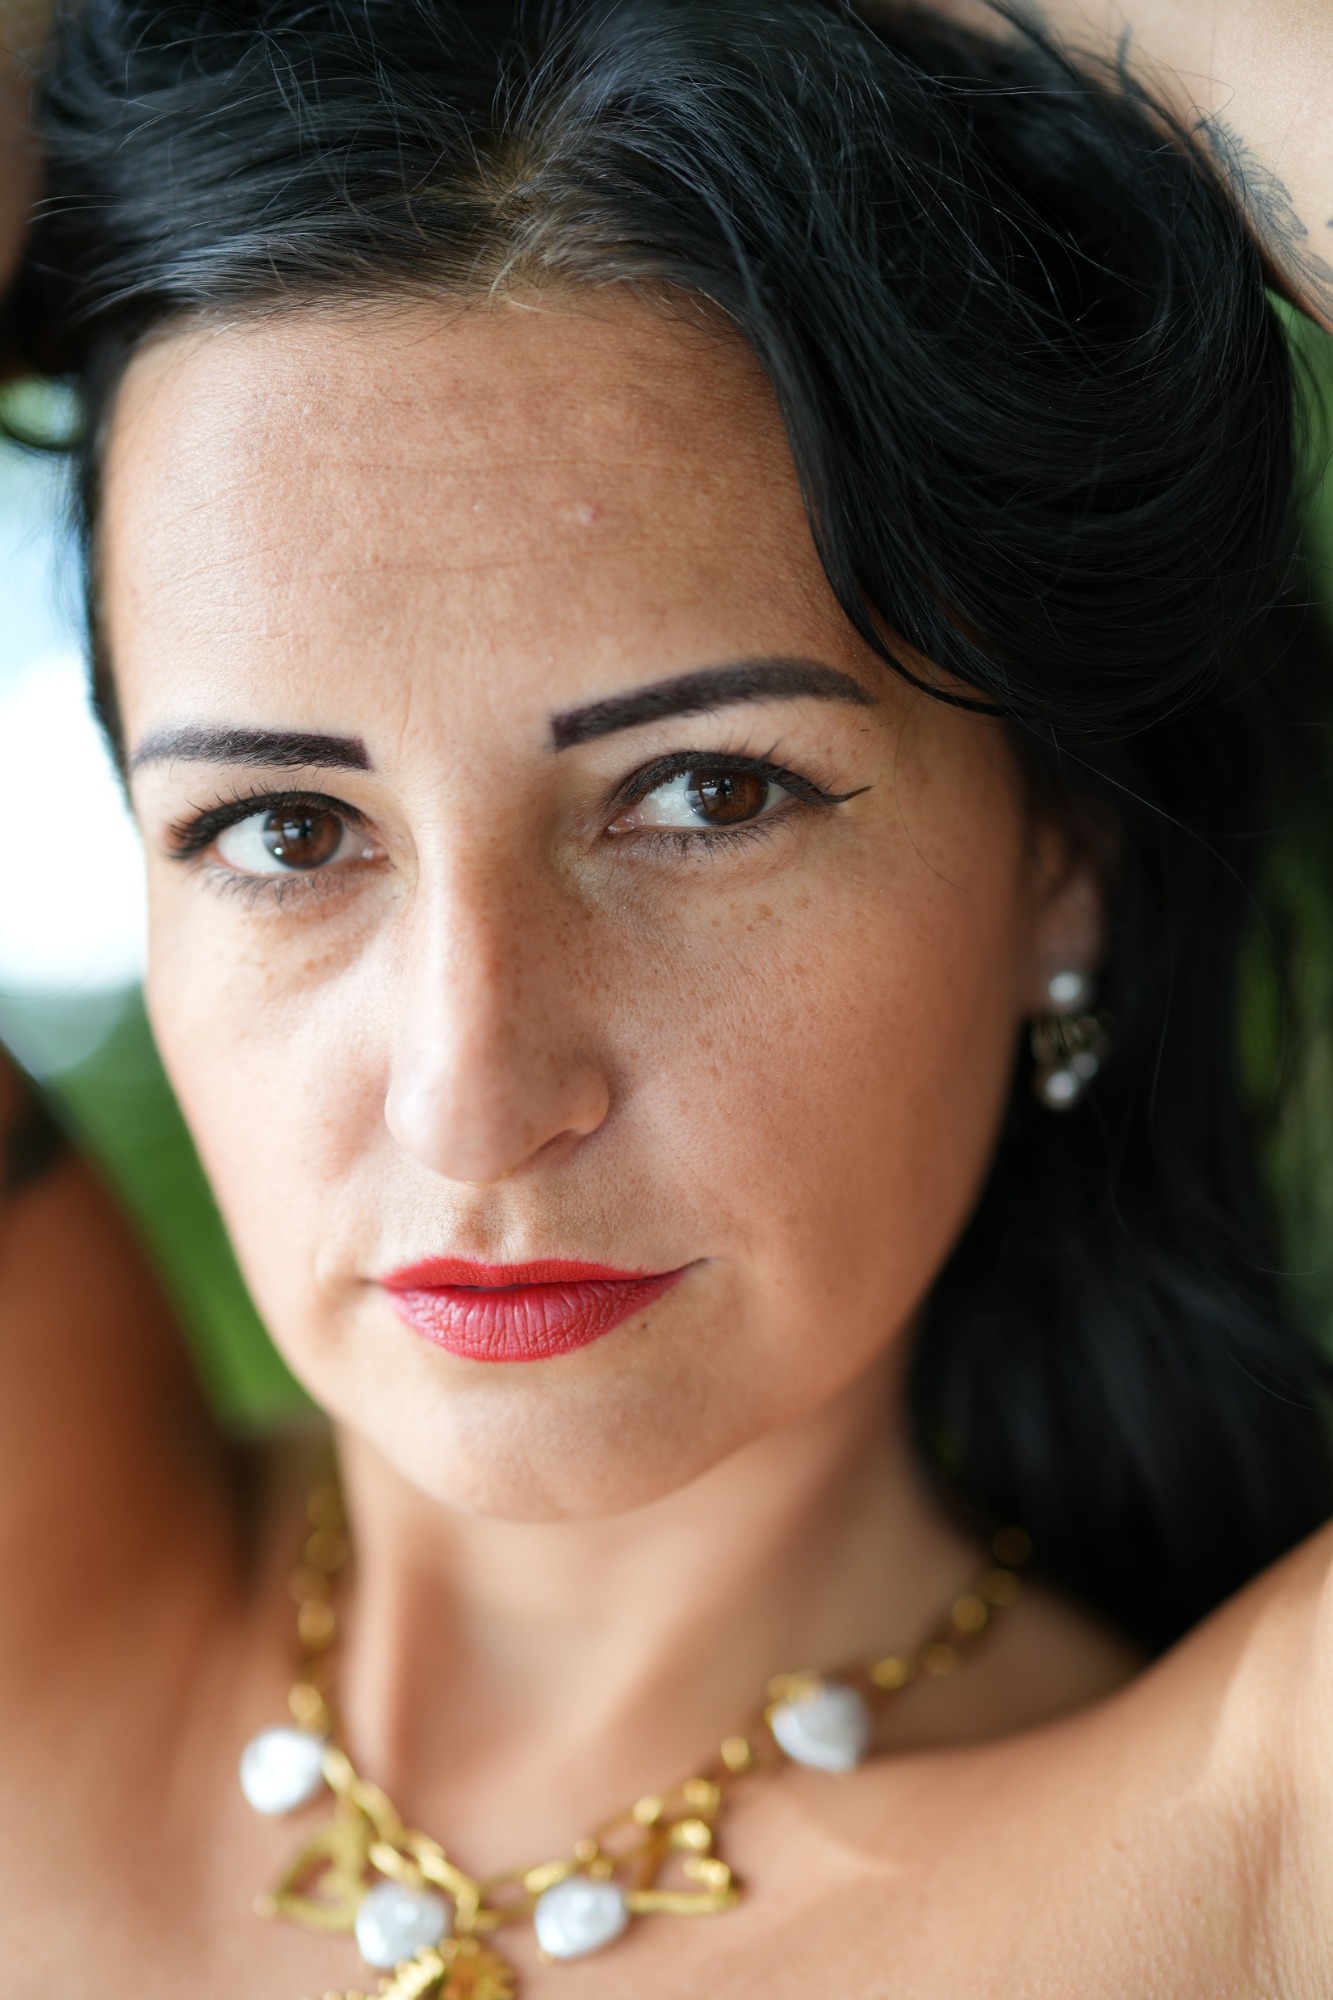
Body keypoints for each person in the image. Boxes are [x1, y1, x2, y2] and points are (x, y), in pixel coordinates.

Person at [3, 1, 1333, 1993]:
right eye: (285, 828)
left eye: (706, 796)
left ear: (1062, 854)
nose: (469, 1095)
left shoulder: (1253, 1874)